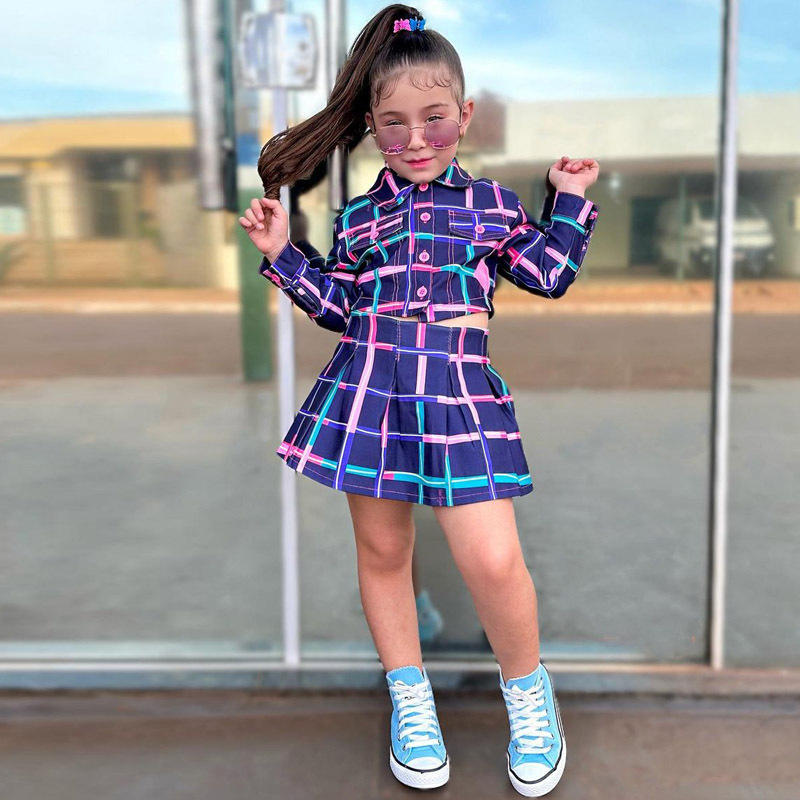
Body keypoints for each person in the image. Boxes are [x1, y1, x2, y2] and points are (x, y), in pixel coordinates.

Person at [239, 5, 599, 795]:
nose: (415, 139)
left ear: (463, 115)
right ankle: (412, 700)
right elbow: (341, 308)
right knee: (383, 553)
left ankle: (529, 696)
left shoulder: (493, 205)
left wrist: (569, 198)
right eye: (394, 123)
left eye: (433, 118)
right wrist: (283, 253)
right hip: (369, 383)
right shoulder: (360, 216)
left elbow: (550, 275)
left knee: (493, 561)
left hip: (459, 389)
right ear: (371, 126)